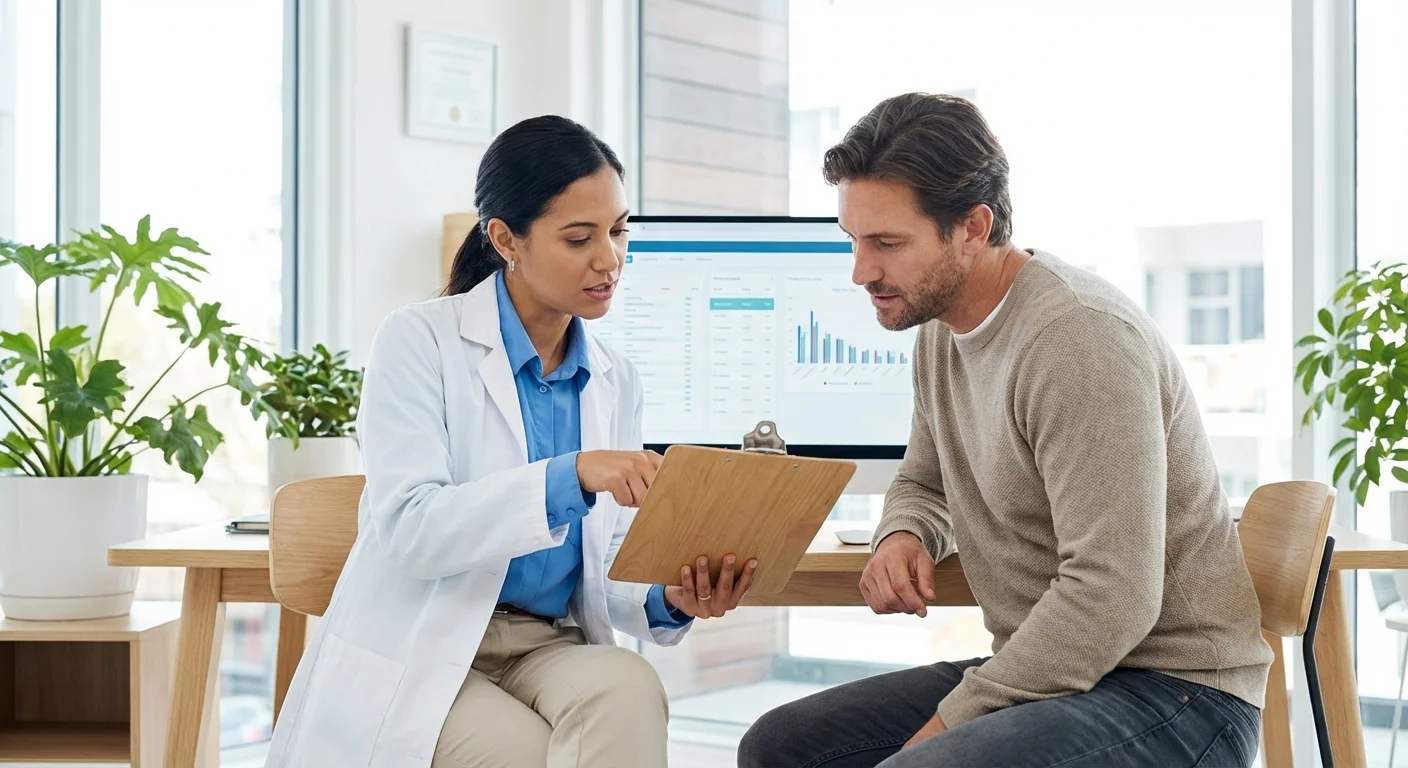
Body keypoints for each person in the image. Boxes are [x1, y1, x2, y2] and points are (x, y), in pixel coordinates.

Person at [738, 93, 1273, 768]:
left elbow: (1112, 594)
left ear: (972, 226)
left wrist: (951, 722)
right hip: (1060, 675)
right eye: (854, 240)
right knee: (779, 748)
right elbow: (926, 479)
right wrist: (906, 531)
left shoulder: (1079, 341)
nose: (861, 271)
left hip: (1176, 693)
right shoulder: (940, 330)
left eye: (887, 244)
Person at [265, 115, 757, 768]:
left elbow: (603, 557)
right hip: (428, 646)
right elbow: (411, 529)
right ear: (506, 239)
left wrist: (667, 599)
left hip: (549, 645)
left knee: (629, 688)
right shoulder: (419, 342)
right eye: (580, 238)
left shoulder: (614, 377)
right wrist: (570, 476)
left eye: (618, 230)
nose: (609, 259)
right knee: (524, 754)